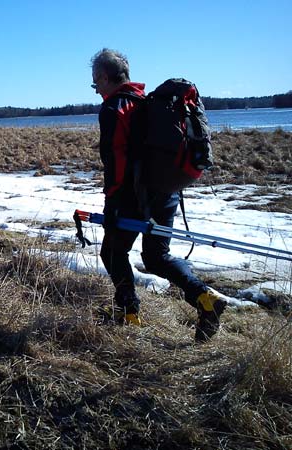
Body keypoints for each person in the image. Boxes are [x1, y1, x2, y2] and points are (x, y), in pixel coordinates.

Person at [90, 48, 226, 342]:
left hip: (132, 197)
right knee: (156, 256)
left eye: (95, 82)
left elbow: (116, 161)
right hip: (166, 191)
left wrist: (112, 204)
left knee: (112, 253)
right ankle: (205, 299)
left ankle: (129, 314)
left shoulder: (115, 108)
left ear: (104, 76)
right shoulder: (148, 103)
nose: (96, 89)